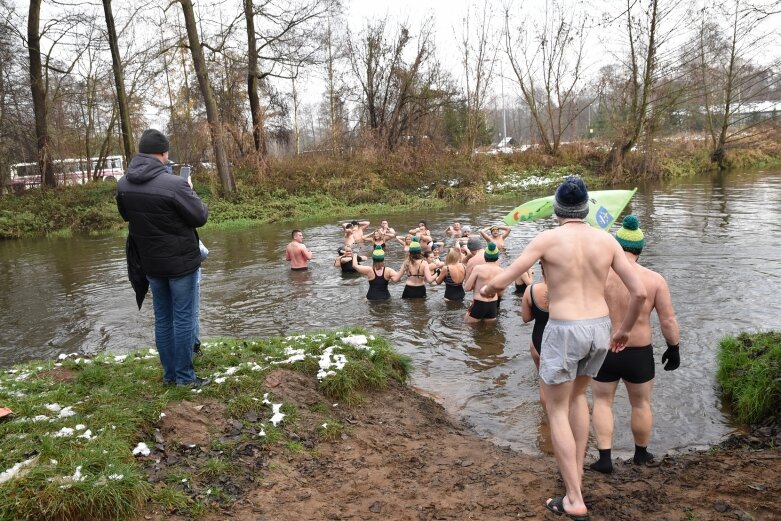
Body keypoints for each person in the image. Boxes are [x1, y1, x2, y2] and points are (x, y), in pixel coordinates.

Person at [479, 176, 646, 520]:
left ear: (557, 209)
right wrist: (624, 330)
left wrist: (488, 290)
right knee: (577, 401)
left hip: (565, 328)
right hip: (600, 328)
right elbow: (639, 293)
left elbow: (504, 278)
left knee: (556, 410)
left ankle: (573, 497)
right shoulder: (607, 241)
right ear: (586, 209)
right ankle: (577, 476)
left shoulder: (547, 239)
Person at [116, 129, 210, 388]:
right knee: (183, 318)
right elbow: (200, 216)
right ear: (163, 153)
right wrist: (189, 190)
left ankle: (169, 375)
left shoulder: (123, 183)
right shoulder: (176, 184)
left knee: (163, 318)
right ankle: (184, 378)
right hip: (181, 264)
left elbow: (127, 215)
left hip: (150, 263)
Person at [590, 215, 681, 474]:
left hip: (604, 348)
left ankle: (605, 459)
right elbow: (668, 320)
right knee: (641, 404)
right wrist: (673, 348)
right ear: (640, 250)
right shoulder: (654, 279)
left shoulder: (599, 276)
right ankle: (641, 454)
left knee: (602, 402)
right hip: (639, 353)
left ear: (617, 247)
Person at [521, 262, 549, 404]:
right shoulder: (568, 290)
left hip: (539, 341)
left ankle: (546, 419)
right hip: (563, 340)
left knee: (544, 382)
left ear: (542, 269)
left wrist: (538, 312)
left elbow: (526, 318)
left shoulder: (530, 290)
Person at [463, 243, 504, 324]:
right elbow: (501, 293)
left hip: (479, 302)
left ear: (485, 256)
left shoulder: (478, 268)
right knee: (489, 332)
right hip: (493, 304)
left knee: (467, 326)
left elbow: (467, 288)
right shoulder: (501, 271)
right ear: (497, 257)